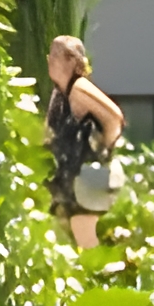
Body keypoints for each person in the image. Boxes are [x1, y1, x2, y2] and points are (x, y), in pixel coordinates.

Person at [45, 34, 125, 249]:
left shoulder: (78, 88)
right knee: (66, 243)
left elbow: (114, 118)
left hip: (85, 180)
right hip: (67, 181)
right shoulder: (58, 94)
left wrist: (102, 151)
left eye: (55, 54)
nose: (49, 59)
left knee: (85, 243)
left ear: (72, 60)